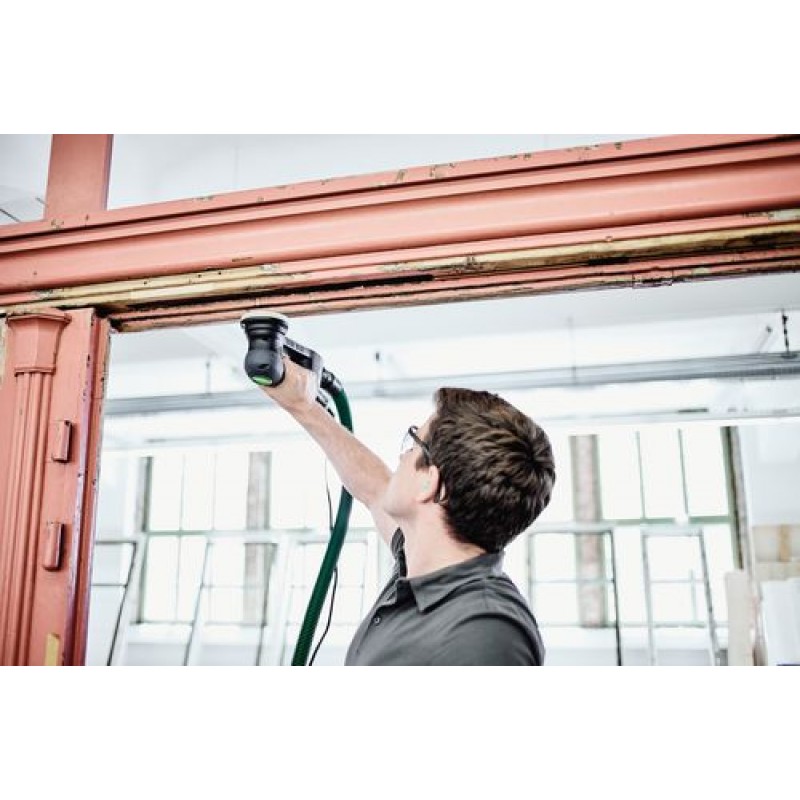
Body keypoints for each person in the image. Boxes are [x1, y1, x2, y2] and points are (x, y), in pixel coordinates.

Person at [261, 358, 556, 665]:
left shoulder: (487, 634)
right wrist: (303, 405)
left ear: (430, 483)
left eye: (412, 444)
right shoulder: (420, 564)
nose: (401, 457)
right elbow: (374, 486)